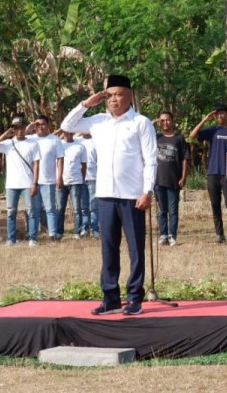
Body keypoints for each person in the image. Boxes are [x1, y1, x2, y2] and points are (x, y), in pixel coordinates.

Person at [60, 74, 157, 316]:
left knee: (135, 248)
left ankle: (134, 298)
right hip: (105, 194)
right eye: (110, 95)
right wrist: (86, 103)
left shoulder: (141, 123)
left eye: (119, 94)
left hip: (133, 195)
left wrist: (147, 191)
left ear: (130, 96)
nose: (114, 99)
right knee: (109, 248)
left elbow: (150, 159)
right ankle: (111, 298)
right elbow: (67, 126)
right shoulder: (98, 122)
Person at [189, 105, 227, 243]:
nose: (220, 116)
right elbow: (192, 136)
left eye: (222, 113)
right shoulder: (212, 130)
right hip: (213, 172)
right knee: (215, 203)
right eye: (217, 114)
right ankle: (220, 235)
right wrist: (205, 120)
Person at [0, 117, 41, 246]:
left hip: (27, 183)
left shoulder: (33, 143)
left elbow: (36, 164)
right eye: (17, 128)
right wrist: (4, 135)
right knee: (11, 212)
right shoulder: (7, 144)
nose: (20, 131)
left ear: (25, 128)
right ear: (13, 129)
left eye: (22, 128)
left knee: (31, 212)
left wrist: (35, 183)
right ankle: (11, 239)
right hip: (12, 184)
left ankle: (32, 238)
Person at [153, 111, 188, 246]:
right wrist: (152, 123)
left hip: (174, 180)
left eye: (167, 120)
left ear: (172, 121)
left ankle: (172, 235)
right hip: (158, 180)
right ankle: (163, 235)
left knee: (173, 210)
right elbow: (141, 134)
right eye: (162, 120)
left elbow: (185, 159)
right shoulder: (156, 137)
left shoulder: (179, 138)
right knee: (162, 210)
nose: (165, 123)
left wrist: (183, 177)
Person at [29, 115, 65, 239]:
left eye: (43, 124)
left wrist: (59, 177)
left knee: (50, 208)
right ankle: (34, 234)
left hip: (49, 180)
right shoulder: (30, 139)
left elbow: (60, 159)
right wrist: (32, 125)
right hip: (33, 181)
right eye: (37, 124)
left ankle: (52, 234)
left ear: (48, 125)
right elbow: (22, 132)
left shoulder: (54, 140)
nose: (40, 127)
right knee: (35, 209)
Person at [57, 127, 90, 240]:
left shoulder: (80, 146)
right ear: (63, 132)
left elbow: (84, 165)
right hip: (61, 181)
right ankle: (59, 232)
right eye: (67, 132)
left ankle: (77, 231)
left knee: (77, 209)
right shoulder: (59, 145)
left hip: (76, 181)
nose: (69, 134)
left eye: (71, 131)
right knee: (60, 208)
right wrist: (58, 178)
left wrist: (81, 178)